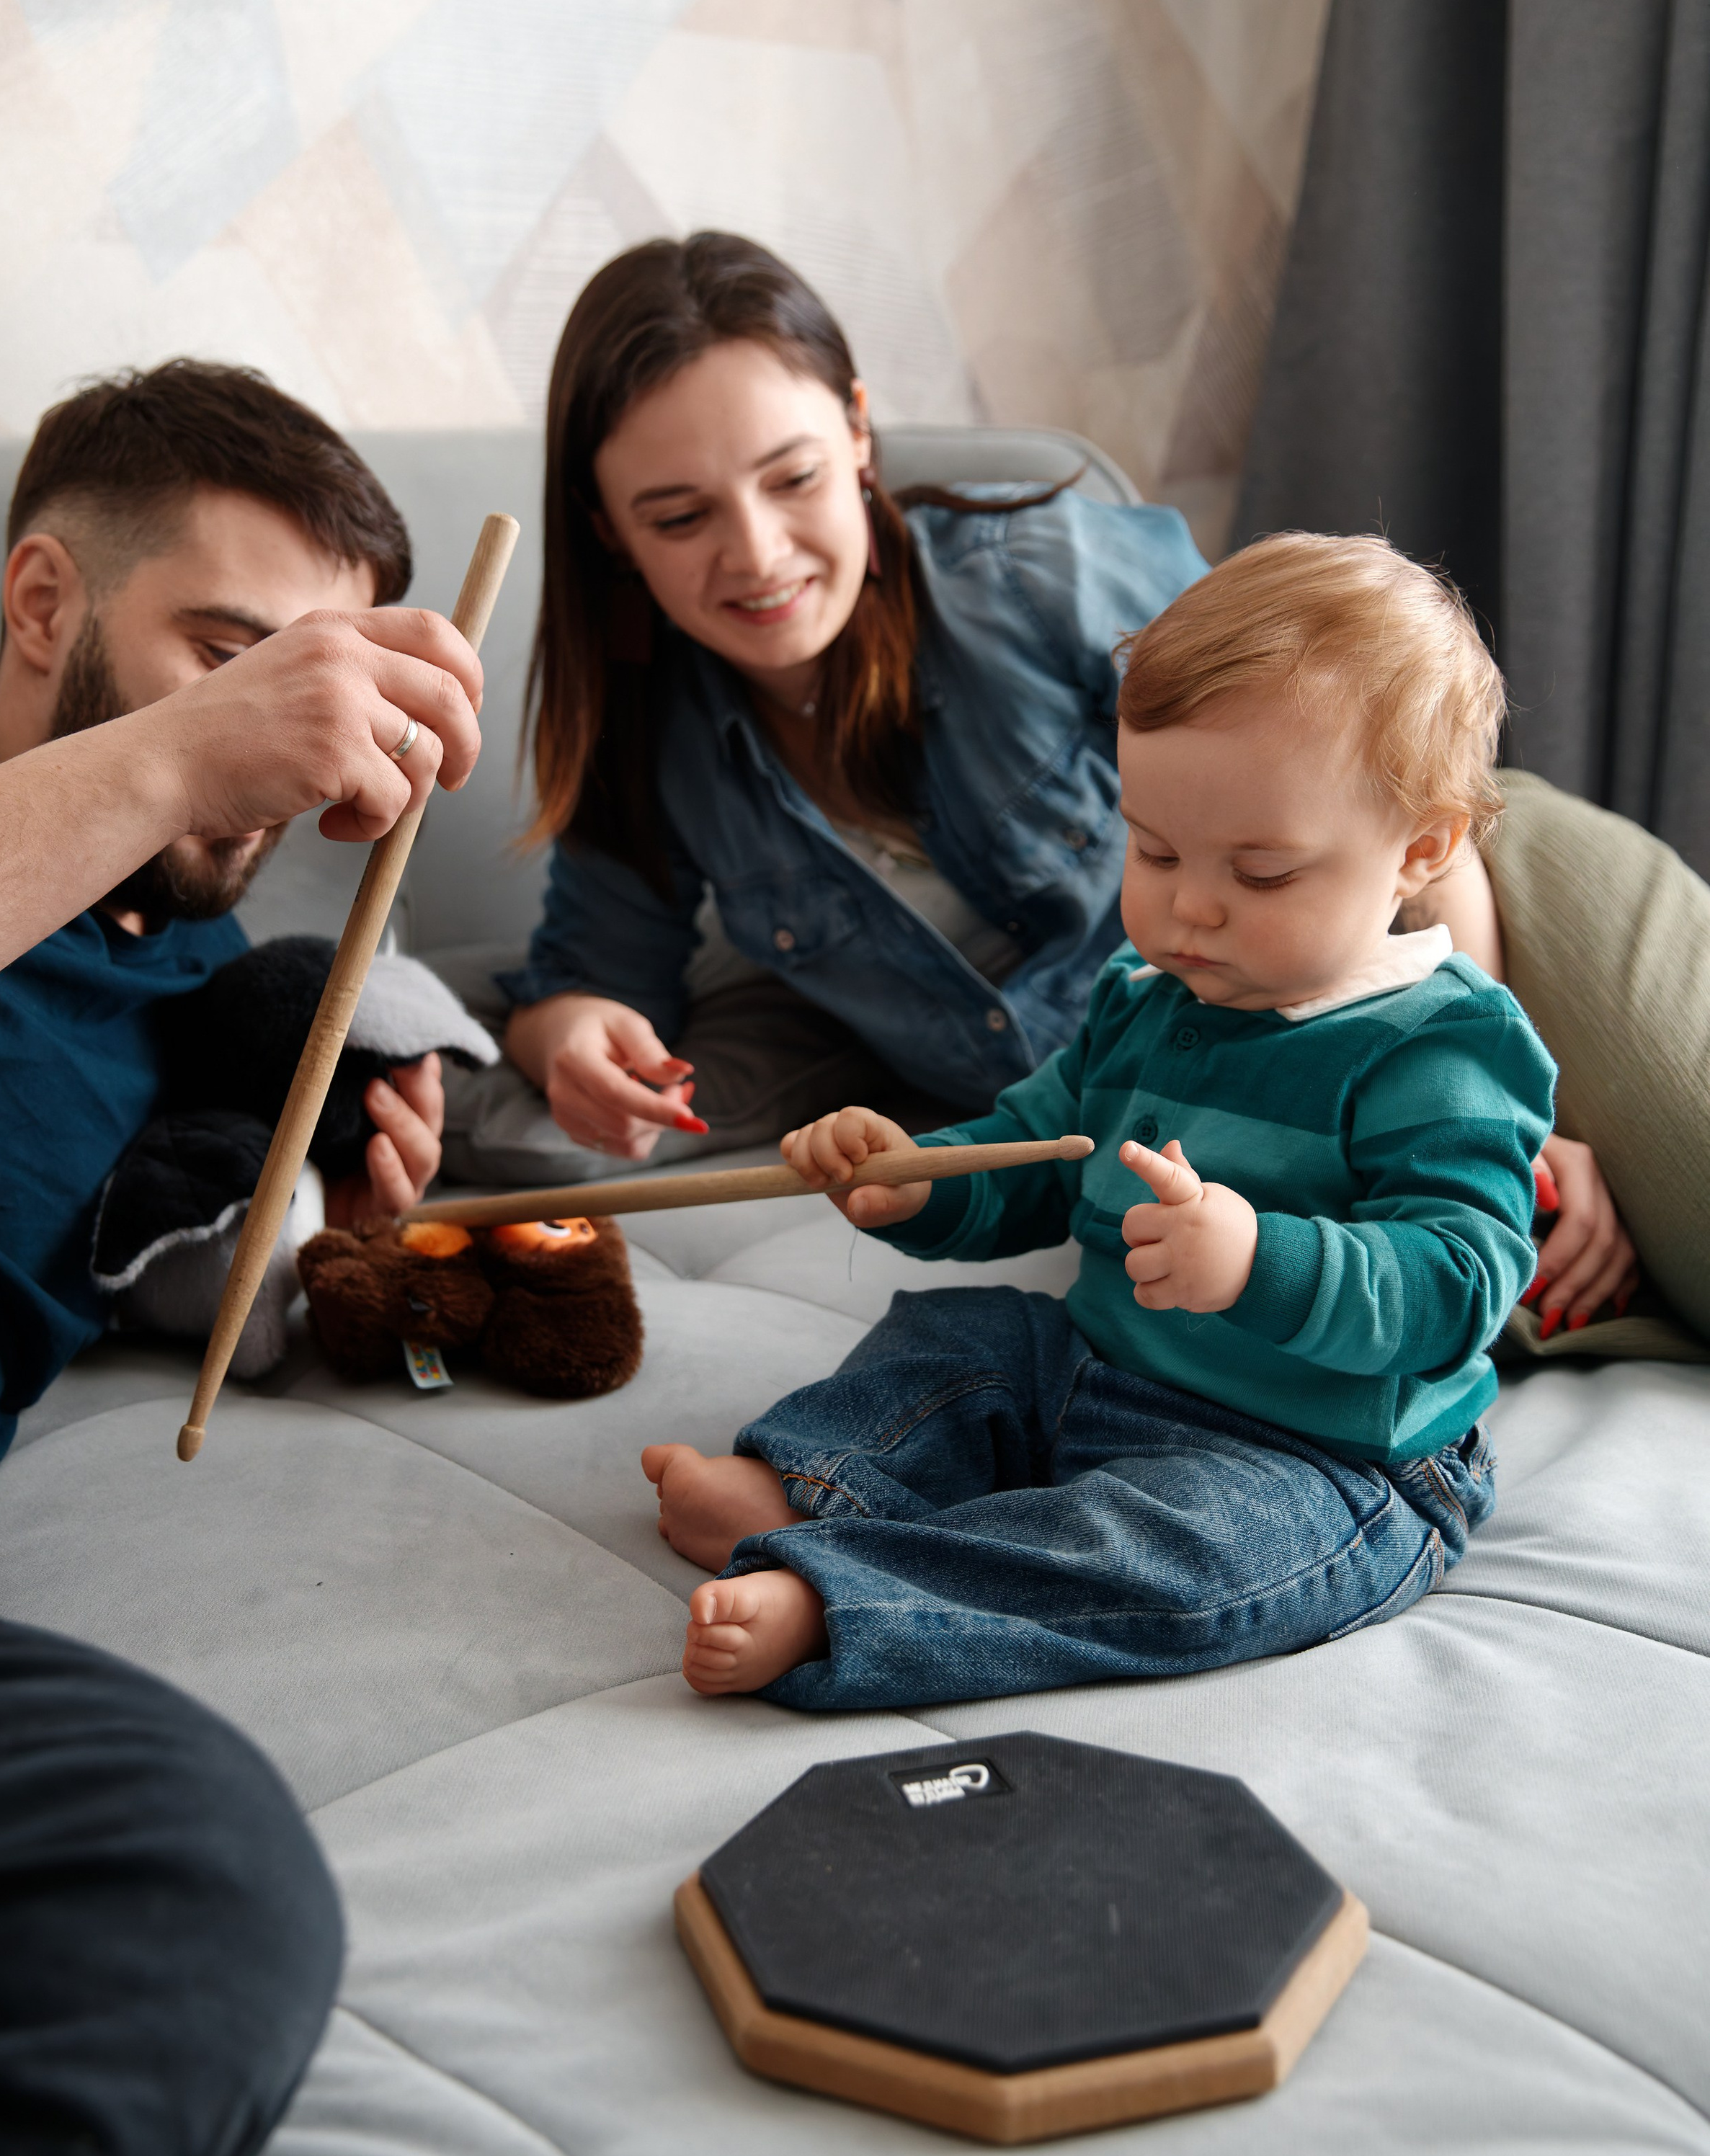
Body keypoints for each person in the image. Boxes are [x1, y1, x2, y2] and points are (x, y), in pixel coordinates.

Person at [460, 230, 1634, 1335]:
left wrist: (1516, 1116)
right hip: (1222, 1093)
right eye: (679, 516)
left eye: (794, 479)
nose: (759, 554)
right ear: (610, 530)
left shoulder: (1042, 579)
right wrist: (569, 1036)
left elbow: (1345, 751)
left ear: (861, 433)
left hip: (1458, 878)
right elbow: (585, 982)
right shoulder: (650, 746)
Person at [0, 359, 487, 2156]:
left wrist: (360, 1240)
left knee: (193, 1895)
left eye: (324, 688)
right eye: (233, 657)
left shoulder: (202, 1011)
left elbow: (234, 1278)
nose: (296, 747)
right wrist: (164, 758)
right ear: (45, 606)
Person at [640, 535, 1557, 1707]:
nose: (1189, 905)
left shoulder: (1445, 1046)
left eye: (1262, 873)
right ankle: (813, 1480)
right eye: (1154, 847)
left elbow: (1460, 1280)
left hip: (1324, 1457)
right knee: (959, 1343)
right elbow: (1040, 1148)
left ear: (1419, 850)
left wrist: (1258, 1260)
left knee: (1167, 1563)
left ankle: (848, 1600)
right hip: (1102, 1367)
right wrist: (922, 1180)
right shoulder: (1147, 996)